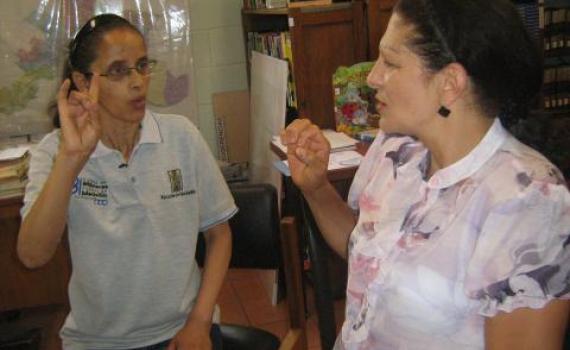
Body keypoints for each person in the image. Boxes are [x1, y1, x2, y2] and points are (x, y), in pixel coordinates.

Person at [281, 0, 570, 349]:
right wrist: (316, 189)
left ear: (450, 82)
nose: (372, 77)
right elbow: (368, 254)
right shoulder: (395, 149)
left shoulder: (528, 201)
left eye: (389, 62)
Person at [17, 14, 235, 350]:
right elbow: (32, 254)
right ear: (82, 81)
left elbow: (219, 235)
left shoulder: (181, 137)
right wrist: (73, 158)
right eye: (119, 70)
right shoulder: (55, 152)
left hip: (184, 329)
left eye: (143, 65)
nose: (138, 82)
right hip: (97, 341)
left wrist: (199, 322)